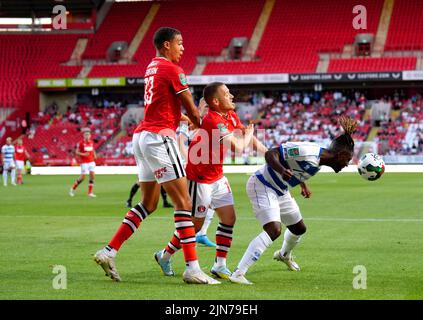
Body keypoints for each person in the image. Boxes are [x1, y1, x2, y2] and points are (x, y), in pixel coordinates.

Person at [94, 27, 218, 284]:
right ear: (165, 46)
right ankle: (192, 268)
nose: (183, 48)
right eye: (179, 43)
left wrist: (183, 119)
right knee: (184, 203)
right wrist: (199, 122)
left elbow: (163, 106)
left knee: (148, 203)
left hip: (142, 137)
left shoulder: (152, 67)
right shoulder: (173, 70)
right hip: (160, 138)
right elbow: (191, 107)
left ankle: (109, 251)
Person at [154, 82, 266, 280]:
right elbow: (239, 147)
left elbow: (248, 139)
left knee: (229, 218)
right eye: (226, 93)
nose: (231, 96)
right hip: (200, 179)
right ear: (215, 101)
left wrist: (269, 155)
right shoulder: (214, 120)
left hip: (217, 176)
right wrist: (248, 134)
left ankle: (220, 265)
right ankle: (165, 255)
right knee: (195, 227)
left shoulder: (229, 115)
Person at [229, 116, 357, 285]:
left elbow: (295, 167)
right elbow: (270, 154)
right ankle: (238, 273)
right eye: (347, 160)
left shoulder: (318, 162)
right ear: (340, 155)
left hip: (281, 190)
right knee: (274, 230)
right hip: (263, 185)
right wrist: (281, 170)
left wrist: (302, 184)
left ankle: (283, 255)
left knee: (299, 228)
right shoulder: (307, 151)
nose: (347, 164)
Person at [69, 130, 97, 197]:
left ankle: (90, 193)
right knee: (82, 177)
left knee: (92, 176)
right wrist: (84, 154)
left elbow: (92, 149)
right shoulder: (81, 143)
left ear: (90, 136)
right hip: (84, 162)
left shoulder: (91, 142)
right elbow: (77, 152)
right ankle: (72, 189)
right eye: (86, 134)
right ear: (84, 135)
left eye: (88, 134)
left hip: (91, 161)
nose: (87, 136)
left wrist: (95, 155)